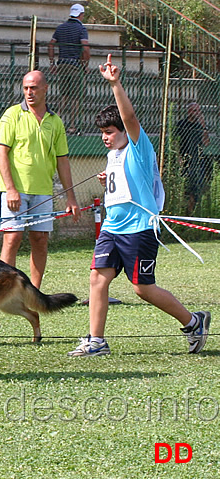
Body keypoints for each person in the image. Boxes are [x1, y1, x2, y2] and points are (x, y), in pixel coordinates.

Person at [68, 54, 211, 357]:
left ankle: (193, 321)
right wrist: (109, 176)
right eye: (102, 133)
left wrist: (116, 83)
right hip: (112, 228)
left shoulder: (138, 145)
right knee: (98, 277)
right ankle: (96, 341)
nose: (105, 138)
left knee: (142, 289)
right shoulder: (113, 156)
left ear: (123, 131)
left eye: (110, 132)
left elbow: (130, 119)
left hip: (139, 229)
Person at [0, 70, 81, 289]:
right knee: (12, 239)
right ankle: (5, 291)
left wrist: (70, 198)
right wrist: (11, 189)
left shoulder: (56, 121)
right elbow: (0, 153)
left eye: (33, 87)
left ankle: (34, 292)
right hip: (15, 190)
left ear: (45, 89)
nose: (29, 92)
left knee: (41, 240)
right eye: (25, 88)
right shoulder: (12, 115)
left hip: (43, 190)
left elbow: (62, 160)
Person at [48, 3, 90, 135]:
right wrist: (85, 64)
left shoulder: (61, 28)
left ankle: (58, 120)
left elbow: (51, 44)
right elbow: (85, 47)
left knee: (64, 94)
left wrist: (52, 62)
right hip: (75, 65)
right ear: (81, 15)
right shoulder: (81, 29)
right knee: (76, 97)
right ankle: (72, 125)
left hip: (62, 64)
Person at [174, 102, 211, 215]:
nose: (197, 113)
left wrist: (204, 125)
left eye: (199, 111)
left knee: (196, 189)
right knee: (184, 188)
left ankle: (192, 213)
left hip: (197, 161)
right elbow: (175, 141)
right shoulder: (182, 124)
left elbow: (206, 143)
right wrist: (178, 157)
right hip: (185, 159)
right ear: (189, 111)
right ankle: (182, 212)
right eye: (195, 111)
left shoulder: (199, 127)